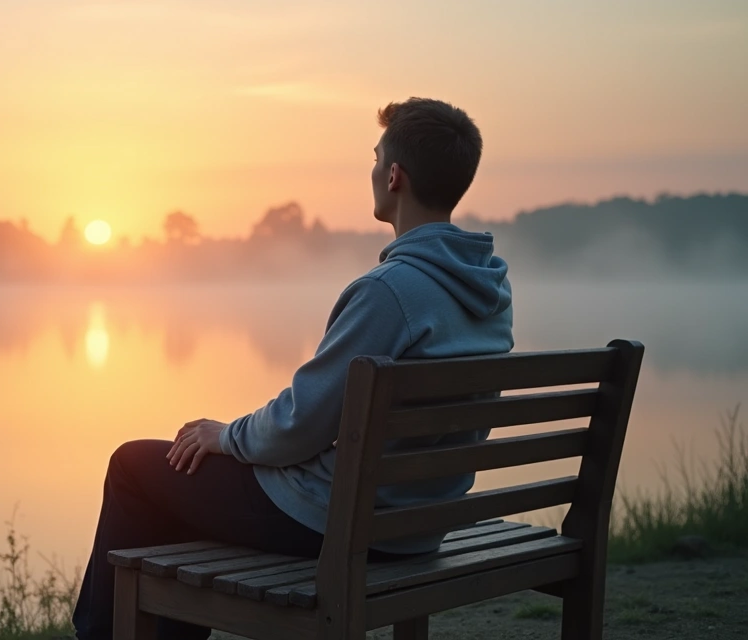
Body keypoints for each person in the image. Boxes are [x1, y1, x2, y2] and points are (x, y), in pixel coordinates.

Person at [71, 97, 514, 640]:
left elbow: (303, 424)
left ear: (394, 176)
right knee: (181, 490)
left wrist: (226, 435)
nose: (373, 171)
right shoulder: (489, 289)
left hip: (341, 523)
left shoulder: (390, 293)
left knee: (136, 467)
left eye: (376, 159)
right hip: (419, 524)